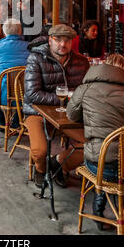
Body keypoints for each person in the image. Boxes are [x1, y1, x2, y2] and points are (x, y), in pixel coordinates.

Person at [67, 53, 124, 230]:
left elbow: (71, 115)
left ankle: (99, 205)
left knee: (101, 159)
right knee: (118, 157)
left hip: (98, 166)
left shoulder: (85, 88)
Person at [23, 24, 89, 188]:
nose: (62, 44)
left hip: (69, 115)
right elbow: (32, 94)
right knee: (40, 152)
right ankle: (41, 169)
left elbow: (87, 90)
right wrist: (66, 99)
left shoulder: (81, 62)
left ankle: (59, 165)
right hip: (36, 112)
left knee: (94, 146)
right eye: (57, 40)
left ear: (72, 42)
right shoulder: (36, 58)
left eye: (67, 41)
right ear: (50, 40)